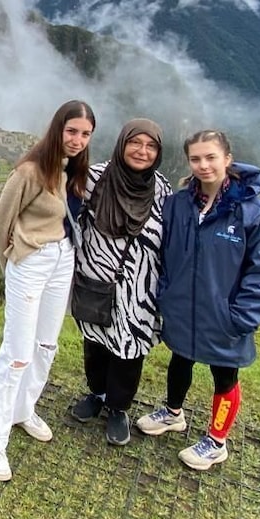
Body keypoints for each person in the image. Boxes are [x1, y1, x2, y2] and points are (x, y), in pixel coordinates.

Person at [135, 129, 260, 471]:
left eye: (211, 157)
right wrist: (166, 294)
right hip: (182, 307)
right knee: (180, 360)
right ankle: (173, 413)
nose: (203, 166)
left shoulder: (254, 213)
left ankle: (217, 440)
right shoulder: (177, 205)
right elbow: (163, 253)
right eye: (196, 159)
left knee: (225, 374)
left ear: (227, 159)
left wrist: (243, 316)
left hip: (224, 314)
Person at [0, 99, 96, 482]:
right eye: (72, 130)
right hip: (31, 261)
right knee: (17, 354)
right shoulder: (30, 171)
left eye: (85, 133)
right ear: (57, 128)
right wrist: (12, 264)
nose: (77, 140)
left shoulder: (75, 171)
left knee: (47, 345)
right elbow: (1, 223)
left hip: (64, 259)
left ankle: (22, 411)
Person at [66, 118, 172, 445]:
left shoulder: (162, 189)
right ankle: (96, 394)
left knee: (129, 350)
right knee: (95, 343)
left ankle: (118, 408)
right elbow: (69, 219)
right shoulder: (96, 178)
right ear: (121, 143)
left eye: (150, 145)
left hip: (140, 287)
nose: (142, 151)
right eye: (135, 143)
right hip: (97, 280)